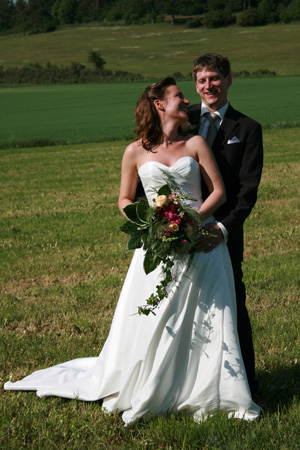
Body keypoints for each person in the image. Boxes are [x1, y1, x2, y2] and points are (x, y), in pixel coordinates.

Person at [4, 78, 260, 424]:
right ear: (159, 104)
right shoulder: (134, 151)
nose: (187, 100)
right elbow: (125, 199)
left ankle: (204, 387)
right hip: (157, 244)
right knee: (155, 318)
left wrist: (190, 221)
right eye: (178, 96)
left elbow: (219, 192)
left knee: (208, 316)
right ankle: (148, 379)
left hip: (199, 243)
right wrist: (152, 223)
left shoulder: (196, 142)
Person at [187, 53, 264, 405]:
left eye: (215, 78)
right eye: (202, 80)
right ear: (195, 84)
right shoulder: (180, 120)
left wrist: (222, 228)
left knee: (232, 302)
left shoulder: (247, 128)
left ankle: (246, 382)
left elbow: (247, 192)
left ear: (229, 80)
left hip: (223, 232)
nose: (209, 86)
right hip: (179, 230)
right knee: (184, 304)